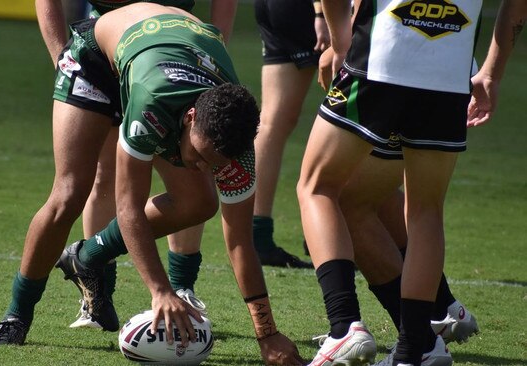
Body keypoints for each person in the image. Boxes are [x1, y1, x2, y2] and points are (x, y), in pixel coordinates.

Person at [48, 4, 303, 364]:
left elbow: (240, 243)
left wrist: (268, 333)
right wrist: (159, 291)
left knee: (201, 201)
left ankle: (87, 258)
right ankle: (21, 312)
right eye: (199, 155)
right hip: (103, 53)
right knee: (90, 181)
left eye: (212, 164)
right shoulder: (151, 102)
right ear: (191, 118)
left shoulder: (240, 152)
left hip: (174, 56)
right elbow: (129, 208)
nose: (199, 166)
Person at [298, 1, 525, 365]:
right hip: (449, 75)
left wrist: (341, 45)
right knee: (425, 211)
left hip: (379, 58)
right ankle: (414, 350)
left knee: (318, 186)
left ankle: (343, 328)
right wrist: (491, 74)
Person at [34, 0, 238, 329]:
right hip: (107, 50)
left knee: (195, 173)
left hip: (173, 52)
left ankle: (182, 288)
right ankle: (97, 295)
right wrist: (61, 54)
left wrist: (215, 45)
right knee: (103, 176)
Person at [250, 0, 328, 268]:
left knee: (273, 121)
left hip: (272, 6)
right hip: (315, 10)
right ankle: (328, 230)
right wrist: (320, 12)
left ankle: (256, 238)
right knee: (356, 113)